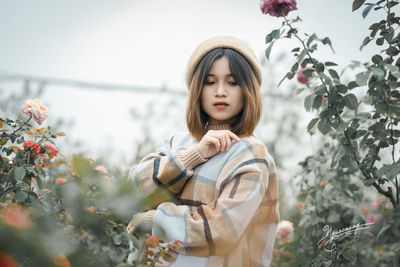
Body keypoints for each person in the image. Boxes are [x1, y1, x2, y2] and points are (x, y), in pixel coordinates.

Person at [127, 36, 280, 267]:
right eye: (210, 82)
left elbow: (224, 229)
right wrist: (194, 155)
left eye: (232, 82)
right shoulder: (177, 143)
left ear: (248, 90)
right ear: (197, 89)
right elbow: (136, 188)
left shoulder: (250, 153)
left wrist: (157, 221)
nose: (220, 91)